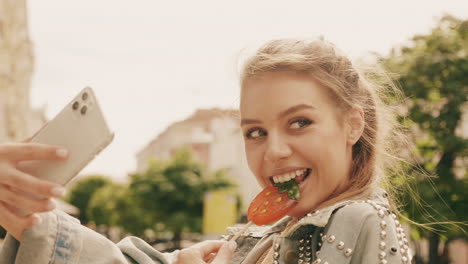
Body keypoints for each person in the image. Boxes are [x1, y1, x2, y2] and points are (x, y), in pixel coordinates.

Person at [0, 38, 412, 264]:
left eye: (300, 122)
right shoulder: (267, 232)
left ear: (352, 124)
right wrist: (34, 222)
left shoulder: (359, 218)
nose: (275, 150)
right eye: (255, 132)